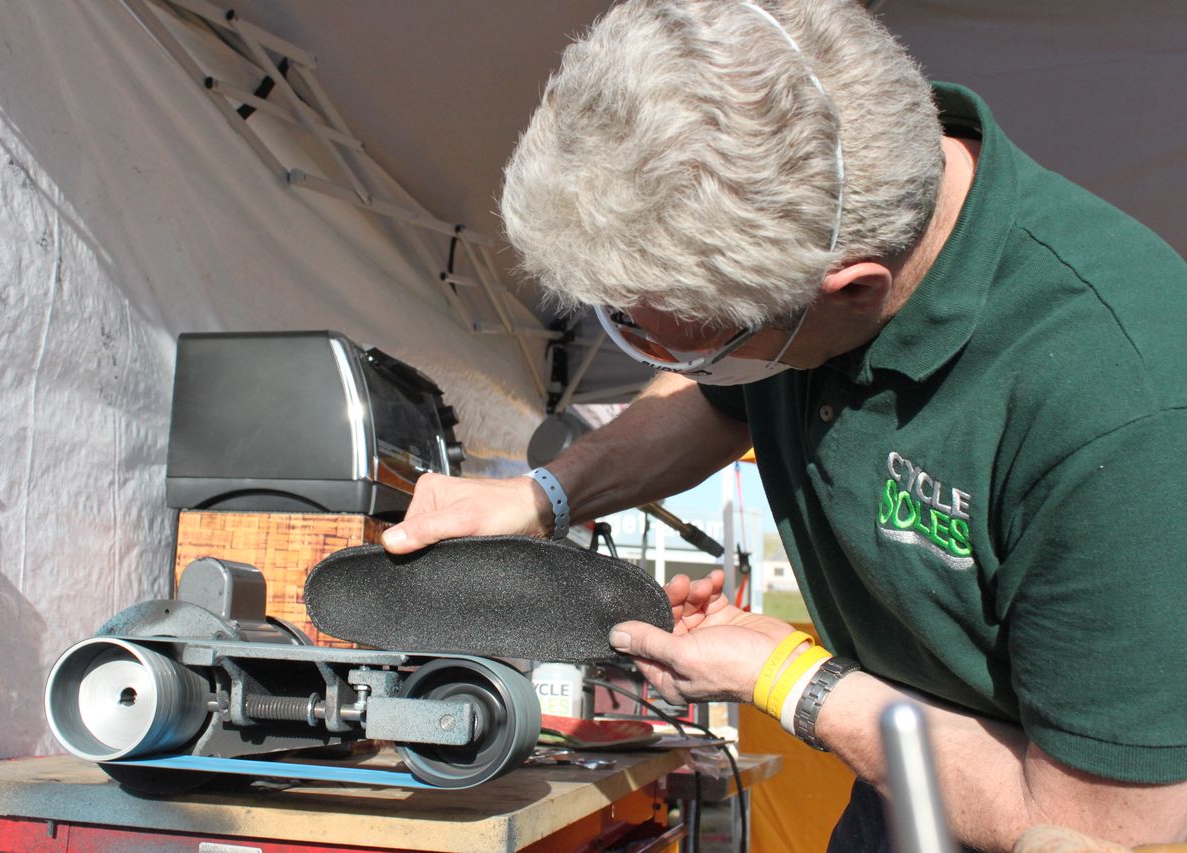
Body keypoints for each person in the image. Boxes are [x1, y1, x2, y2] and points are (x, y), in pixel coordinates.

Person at [381, 1, 1187, 849]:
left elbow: (1100, 822)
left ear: (853, 290)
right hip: (895, 790)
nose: (661, 364)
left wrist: (790, 676)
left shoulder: (1123, 411)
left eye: (683, 345)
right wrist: (543, 496)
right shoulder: (809, 260)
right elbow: (716, 402)